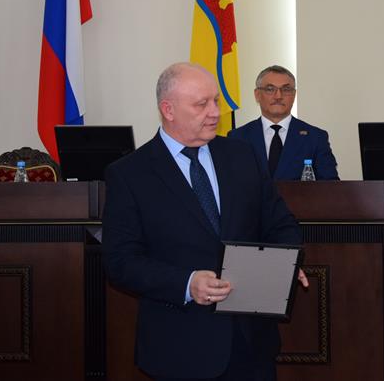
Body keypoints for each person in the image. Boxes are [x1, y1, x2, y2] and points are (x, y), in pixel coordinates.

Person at [102, 62, 306, 381]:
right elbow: (120, 261)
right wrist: (186, 283)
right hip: (180, 347)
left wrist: (285, 262)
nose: (215, 112)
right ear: (168, 109)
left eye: (216, 101)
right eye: (201, 104)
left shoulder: (242, 155)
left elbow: (280, 223)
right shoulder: (130, 174)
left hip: (251, 345)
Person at [228, 65, 339, 180]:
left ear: (294, 95)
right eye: (270, 89)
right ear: (257, 95)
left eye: (286, 90)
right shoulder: (238, 137)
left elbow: (330, 186)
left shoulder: (315, 138)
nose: (278, 96)